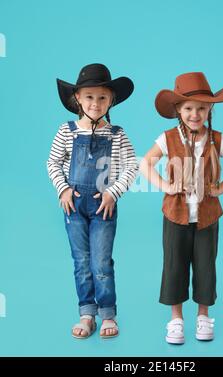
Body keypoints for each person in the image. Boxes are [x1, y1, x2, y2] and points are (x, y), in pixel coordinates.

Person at [140, 72, 223, 344]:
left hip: (207, 217)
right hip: (176, 215)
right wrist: (166, 185)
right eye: (188, 108)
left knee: (205, 266)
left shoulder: (217, 139)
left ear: (210, 108)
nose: (195, 114)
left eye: (201, 108)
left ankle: (203, 316)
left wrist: (219, 189)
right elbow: (145, 164)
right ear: (178, 109)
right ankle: (176, 319)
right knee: (175, 265)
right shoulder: (168, 138)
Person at [47, 64, 138, 339]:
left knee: (101, 261)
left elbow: (132, 166)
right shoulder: (67, 131)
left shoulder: (117, 134)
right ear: (77, 99)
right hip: (73, 206)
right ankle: (87, 313)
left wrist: (113, 192)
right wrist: (63, 189)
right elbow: (53, 162)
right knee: (81, 261)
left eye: (101, 97)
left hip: (103, 207)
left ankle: (108, 313)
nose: (95, 103)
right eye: (89, 97)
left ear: (111, 100)